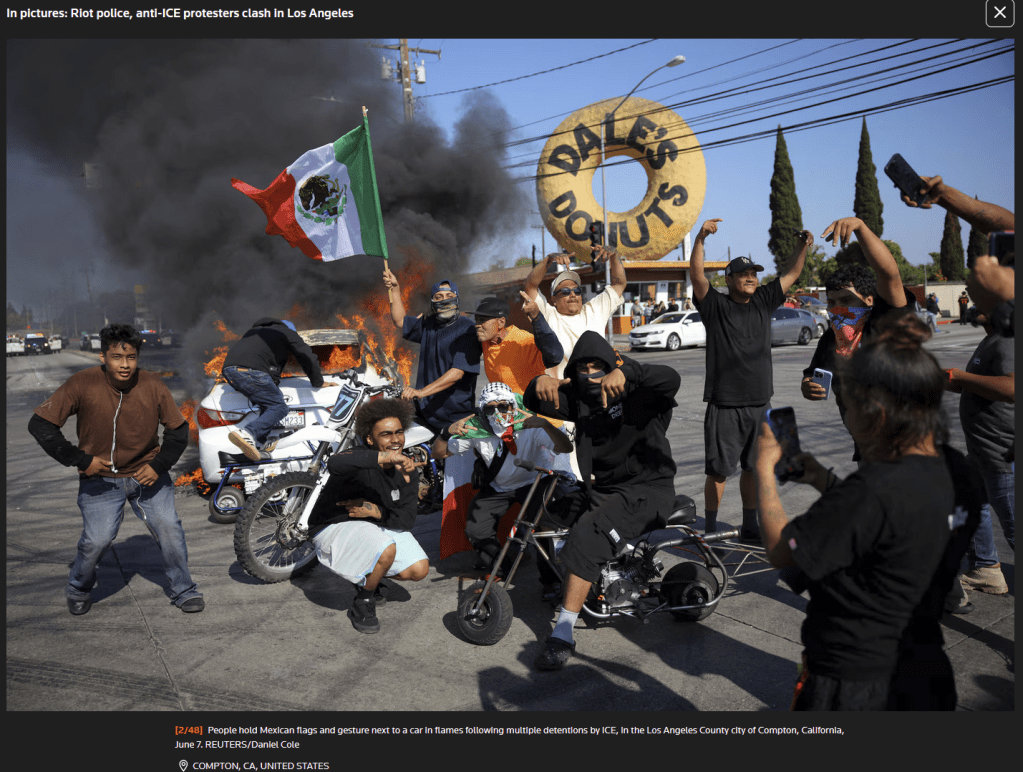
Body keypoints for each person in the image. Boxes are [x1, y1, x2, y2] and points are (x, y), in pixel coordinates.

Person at [754, 314, 955, 710]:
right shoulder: (956, 471)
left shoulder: (870, 491)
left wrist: (763, 468)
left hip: (856, 682)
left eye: (849, 401)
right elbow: (888, 520)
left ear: (877, 414)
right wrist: (823, 480)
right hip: (926, 666)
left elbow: (782, 551)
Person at [523, 331, 681, 671]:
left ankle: (563, 631)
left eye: (600, 366)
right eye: (584, 367)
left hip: (647, 490)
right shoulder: (579, 401)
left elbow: (671, 378)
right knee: (549, 513)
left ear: (612, 366)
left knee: (587, 535)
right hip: (604, 491)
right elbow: (533, 401)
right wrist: (537, 381)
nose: (592, 373)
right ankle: (558, 583)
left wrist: (629, 372)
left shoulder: (638, 394)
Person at [28, 323, 204, 615]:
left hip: (147, 478)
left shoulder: (152, 385)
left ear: (137, 357)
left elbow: (178, 430)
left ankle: (184, 590)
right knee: (96, 541)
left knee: (170, 530)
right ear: (102, 357)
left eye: (131, 357)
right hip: (100, 480)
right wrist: (82, 460)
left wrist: (158, 465)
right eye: (117, 358)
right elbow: (41, 425)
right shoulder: (82, 384)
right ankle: (78, 587)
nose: (125, 365)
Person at [689, 217, 811, 542]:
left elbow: (792, 274)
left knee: (754, 468)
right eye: (743, 274)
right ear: (728, 280)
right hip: (725, 405)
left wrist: (802, 246)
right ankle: (711, 529)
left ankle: (749, 524)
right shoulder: (714, 305)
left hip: (761, 404)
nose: (750, 278)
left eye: (753, 273)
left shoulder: (763, 300)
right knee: (717, 471)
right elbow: (697, 276)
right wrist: (700, 238)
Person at [307, 399, 430, 634]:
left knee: (418, 569)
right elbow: (335, 463)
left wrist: (378, 511)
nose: (395, 440)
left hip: (373, 525)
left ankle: (372, 575)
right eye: (386, 434)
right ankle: (363, 600)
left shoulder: (407, 472)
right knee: (386, 549)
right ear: (370, 439)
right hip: (332, 527)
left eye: (399, 432)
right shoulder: (360, 457)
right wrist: (386, 458)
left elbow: (406, 521)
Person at [432, 382, 572, 578]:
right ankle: (501, 567)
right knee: (475, 529)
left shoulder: (529, 425)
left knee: (544, 530)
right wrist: (446, 433)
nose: (497, 412)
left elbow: (566, 448)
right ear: (483, 410)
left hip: (533, 483)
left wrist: (546, 425)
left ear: (513, 406)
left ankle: (551, 581)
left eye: (503, 406)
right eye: (491, 407)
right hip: (499, 487)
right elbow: (439, 453)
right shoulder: (477, 430)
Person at [799, 218, 910, 462]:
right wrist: (808, 386)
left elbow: (889, 274)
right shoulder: (830, 339)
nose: (837, 308)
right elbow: (813, 376)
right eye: (832, 302)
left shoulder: (885, 324)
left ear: (869, 300)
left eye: (846, 301)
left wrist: (861, 227)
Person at [945, 305, 1014, 594]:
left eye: (986, 301)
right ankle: (986, 568)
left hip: (1000, 451)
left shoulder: (1008, 340)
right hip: (982, 450)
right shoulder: (991, 339)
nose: (976, 306)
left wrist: (961, 378)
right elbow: (981, 386)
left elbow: (1012, 387)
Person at [222, 317, 334, 461]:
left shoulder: (253, 334)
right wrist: (318, 382)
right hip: (251, 371)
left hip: (230, 372)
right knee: (279, 408)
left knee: (269, 404)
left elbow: (261, 360)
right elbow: (306, 355)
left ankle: (259, 443)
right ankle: (248, 433)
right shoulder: (286, 332)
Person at [383, 271, 481, 434]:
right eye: (439, 297)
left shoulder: (466, 329)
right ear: (432, 302)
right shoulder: (429, 323)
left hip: (454, 416)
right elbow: (399, 321)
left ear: (456, 299)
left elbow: (457, 373)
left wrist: (421, 392)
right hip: (426, 412)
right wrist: (395, 289)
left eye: (449, 295)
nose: (444, 300)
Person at [523, 246, 626, 379]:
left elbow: (619, 284)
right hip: (563, 389)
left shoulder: (594, 310)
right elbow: (530, 286)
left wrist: (614, 256)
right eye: (565, 291)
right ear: (553, 299)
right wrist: (549, 259)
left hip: (596, 385)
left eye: (577, 291)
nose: (572, 294)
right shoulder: (548, 314)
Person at [472, 295, 563, 394]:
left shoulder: (524, 341)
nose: (477, 325)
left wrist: (537, 318)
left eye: (482, 320)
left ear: (501, 322)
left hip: (528, 408)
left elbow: (554, 356)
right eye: (476, 320)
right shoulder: (486, 341)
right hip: (505, 407)